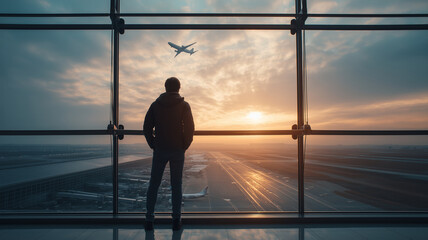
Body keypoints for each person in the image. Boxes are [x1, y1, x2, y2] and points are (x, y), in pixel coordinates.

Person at [143, 77, 194, 231]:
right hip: (177, 149)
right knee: (176, 185)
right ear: (179, 88)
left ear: (165, 88)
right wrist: (184, 145)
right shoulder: (184, 106)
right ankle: (176, 220)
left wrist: (154, 144)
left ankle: (149, 219)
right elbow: (190, 129)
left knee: (154, 184)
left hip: (160, 149)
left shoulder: (155, 105)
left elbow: (146, 127)